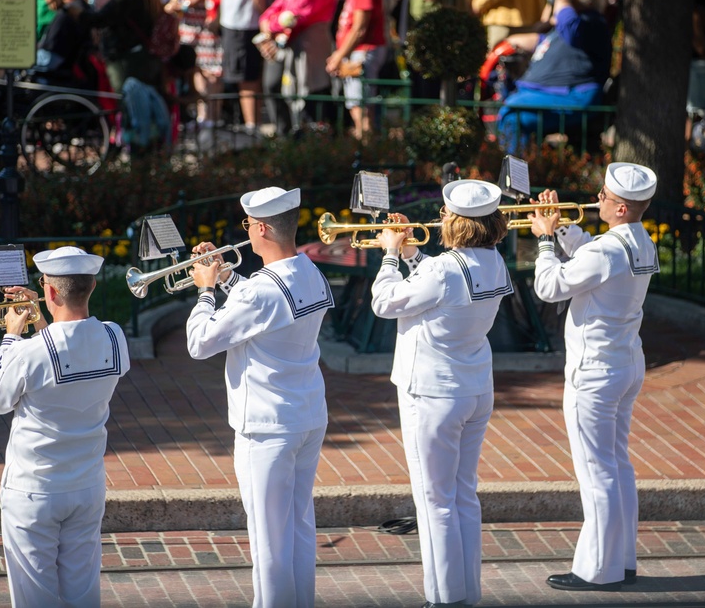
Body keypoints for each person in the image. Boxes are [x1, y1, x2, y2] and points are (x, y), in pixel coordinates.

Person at [185, 186, 335, 608]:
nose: (246, 232)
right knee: (299, 527)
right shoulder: (310, 271)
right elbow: (270, 308)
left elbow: (200, 343)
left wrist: (206, 290)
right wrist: (229, 278)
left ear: (264, 228)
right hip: (306, 415)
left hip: (267, 426)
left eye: (248, 225)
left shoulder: (259, 292)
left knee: (268, 540)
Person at [370, 180, 513, 608]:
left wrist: (391, 255)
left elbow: (384, 302)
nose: (441, 219)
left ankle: (445, 598)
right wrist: (414, 253)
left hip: (432, 394)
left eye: (446, 214)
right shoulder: (493, 262)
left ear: (457, 222)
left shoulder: (444, 270)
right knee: (463, 494)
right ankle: (466, 593)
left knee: (434, 500)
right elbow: (447, 282)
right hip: (473, 388)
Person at [530, 162, 659, 591]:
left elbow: (549, 288)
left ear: (620, 208)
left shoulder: (605, 251)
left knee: (596, 469)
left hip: (596, 372)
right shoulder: (641, 241)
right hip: (625, 363)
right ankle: (621, 559)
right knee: (617, 464)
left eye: (604, 195)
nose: (597, 198)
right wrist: (563, 226)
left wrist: (546, 240)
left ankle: (598, 569)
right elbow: (592, 254)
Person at [0, 246, 131, 607]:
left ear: (49, 292)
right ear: (92, 286)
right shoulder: (115, 337)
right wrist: (38, 319)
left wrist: (12, 336)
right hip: (86, 486)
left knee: (35, 599)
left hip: (34, 490)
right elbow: (68, 350)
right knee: (82, 595)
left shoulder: (27, 351)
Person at [495, 0, 612, 156]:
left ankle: (515, 181)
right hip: (547, 93)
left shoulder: (591, 23)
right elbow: (543, 41)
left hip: (572, 96)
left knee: (513, 116)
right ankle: (517, 174)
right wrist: (510, 43)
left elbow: (570, 27)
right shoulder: (569, 26)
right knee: (509, 109)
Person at [257, 0, 337, 135]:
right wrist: (267, 20)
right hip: (286, 37)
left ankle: (317, 140)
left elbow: (301, 9)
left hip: (310, 38)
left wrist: (273, 24)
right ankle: (286, 136)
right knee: (273, 85)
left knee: (311, 91)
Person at [65, 0, 166, 93]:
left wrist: (71, 8)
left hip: (127, 61)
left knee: (129, 107)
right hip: (143, 58)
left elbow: (100, 19)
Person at [326, 0, 388, 140]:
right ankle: (364, 143)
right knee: (355, 104)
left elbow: (360, 28)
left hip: (363, 51)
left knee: (360, 105)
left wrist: (338, 56)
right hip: (355, 51)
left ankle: (366, 148)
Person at [167, 0, 226, 128]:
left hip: (205, 15)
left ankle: (213, 117)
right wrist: (176, 1)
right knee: (196, 68)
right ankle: (202, 117)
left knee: (211, 69)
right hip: (186, 18)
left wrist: (188, 4)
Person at [219, 0, 273, 134]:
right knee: (247, 77)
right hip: (244, 17)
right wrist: (266, 14)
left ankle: (254, 127)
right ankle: (253, 130)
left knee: (254, 75)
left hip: (253, 17)